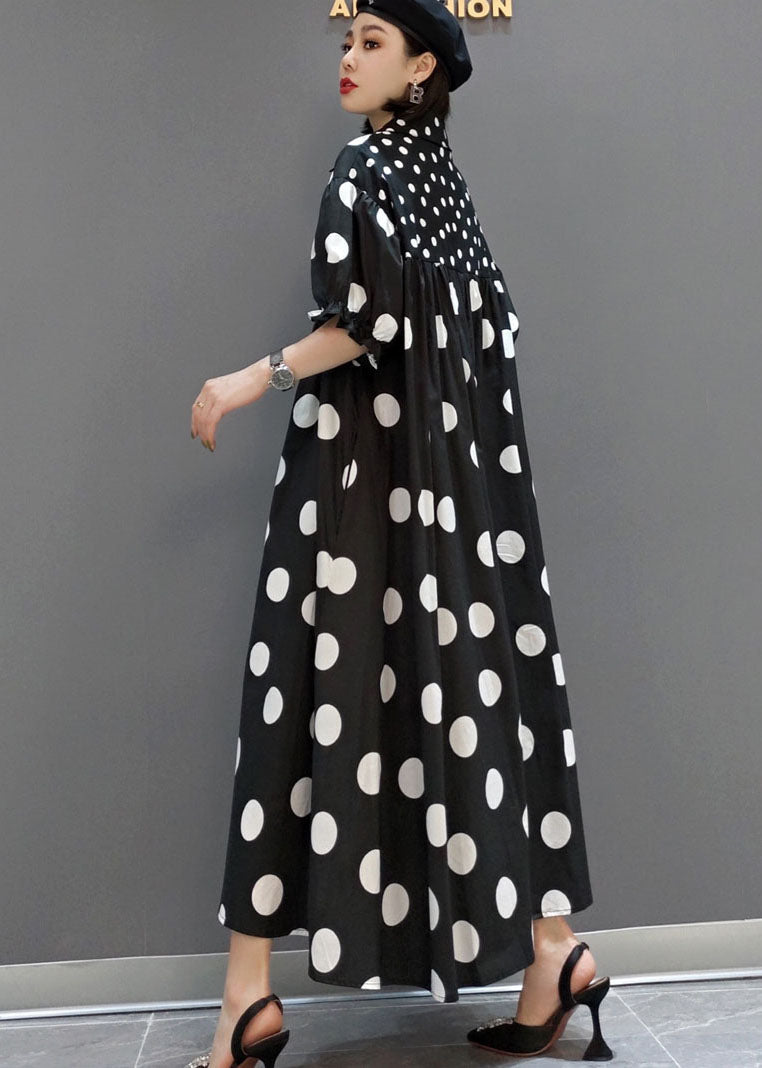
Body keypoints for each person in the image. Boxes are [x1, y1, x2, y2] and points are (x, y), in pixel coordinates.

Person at [187, 1, 614, 1065]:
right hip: (459, 504)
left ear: (422, 65)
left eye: (372, 44)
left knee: (298, 696)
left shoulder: (364, 170)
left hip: (360, 493)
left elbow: (365, 322)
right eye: (348, 40)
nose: (349, 57)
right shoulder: (441, 182)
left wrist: (249, 378)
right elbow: (479, 332)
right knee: (482, 690)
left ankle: (246, 1000)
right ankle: (553, 950)